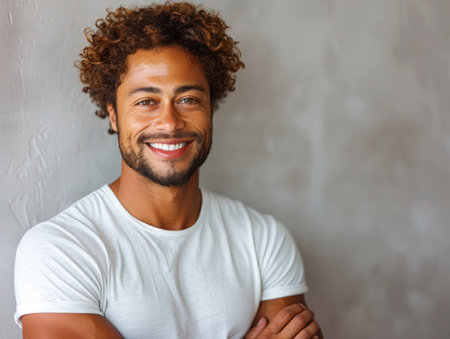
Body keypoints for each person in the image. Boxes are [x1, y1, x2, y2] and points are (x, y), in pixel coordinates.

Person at [14, 2, 323, 338]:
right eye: (146, 101)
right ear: (114, 115)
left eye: (188, 99)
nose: (170, 122)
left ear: (211, 107)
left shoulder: (263, 240)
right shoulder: (61, 249)